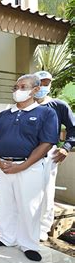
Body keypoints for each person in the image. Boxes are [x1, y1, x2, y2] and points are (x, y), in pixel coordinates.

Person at [0, 74, 58, 261]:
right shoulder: (3, 115)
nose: (18, 91)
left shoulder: (46, 113)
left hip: (30, 167)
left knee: (29, 206)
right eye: (15, 87)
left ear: (36, 90)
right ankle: (7, 237)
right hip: (3, 166)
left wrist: (23, 166)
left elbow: (46, 143)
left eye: (23, 86)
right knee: (5, 204)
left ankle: (29, 244)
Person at [33, 71, 75, 241]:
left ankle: (43, 227)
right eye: (40, 83)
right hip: (24, 155)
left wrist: (66, 147)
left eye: (46, 83)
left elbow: (73, 128)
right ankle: (26, 224)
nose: (43, 86)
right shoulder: (23, 104)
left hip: (48, 154)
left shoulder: (58, 105)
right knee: (25, 192)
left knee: (46, 191)